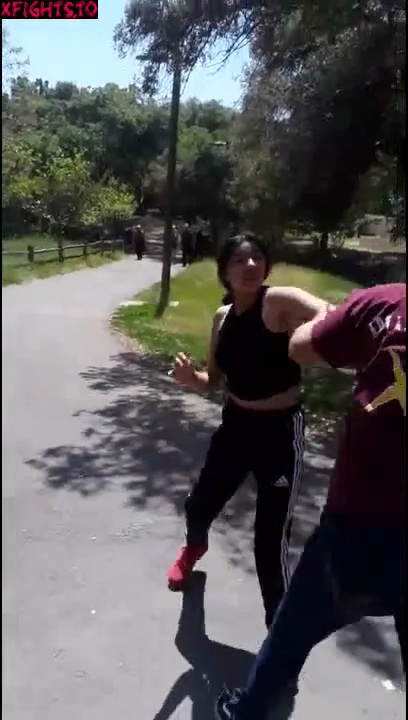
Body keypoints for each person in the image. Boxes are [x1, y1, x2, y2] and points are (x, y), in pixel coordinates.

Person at [216, 282, 406, 720]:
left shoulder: (384, 304)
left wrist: (343, 321)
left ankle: (250, 713)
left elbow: (300, 346)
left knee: (290, 634)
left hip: (357, 527)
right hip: (360, 525)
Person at [167, 233, 330, 628]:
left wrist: (310, 338)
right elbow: (213, 380)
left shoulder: (277, 302)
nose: (251, 265)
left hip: (279, 433)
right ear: (225, 271)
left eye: (257, 257)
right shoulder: (222, 318)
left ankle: (279, 638)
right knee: (198, 505)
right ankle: (194, 547)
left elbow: (330, 314)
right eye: (239, 260)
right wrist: (193, 379)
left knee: (269, 544)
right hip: (236, 426)